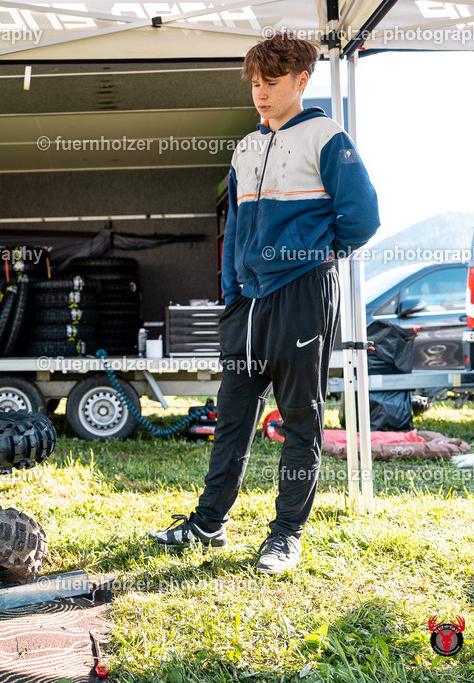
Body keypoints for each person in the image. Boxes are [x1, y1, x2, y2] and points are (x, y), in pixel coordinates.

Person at [149, 34, 379, 574]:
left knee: (300, 419)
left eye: (271, 82)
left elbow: (363, 220)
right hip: (246, 304)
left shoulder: (327, 136)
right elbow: (231, 230)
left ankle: (286, 536)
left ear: (301, 81)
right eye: (254, 82)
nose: (260, 92)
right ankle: (209, 523)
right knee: (232, 416)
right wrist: (231, 293)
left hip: (303, 294)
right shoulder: (245, 146)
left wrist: (315, 258)